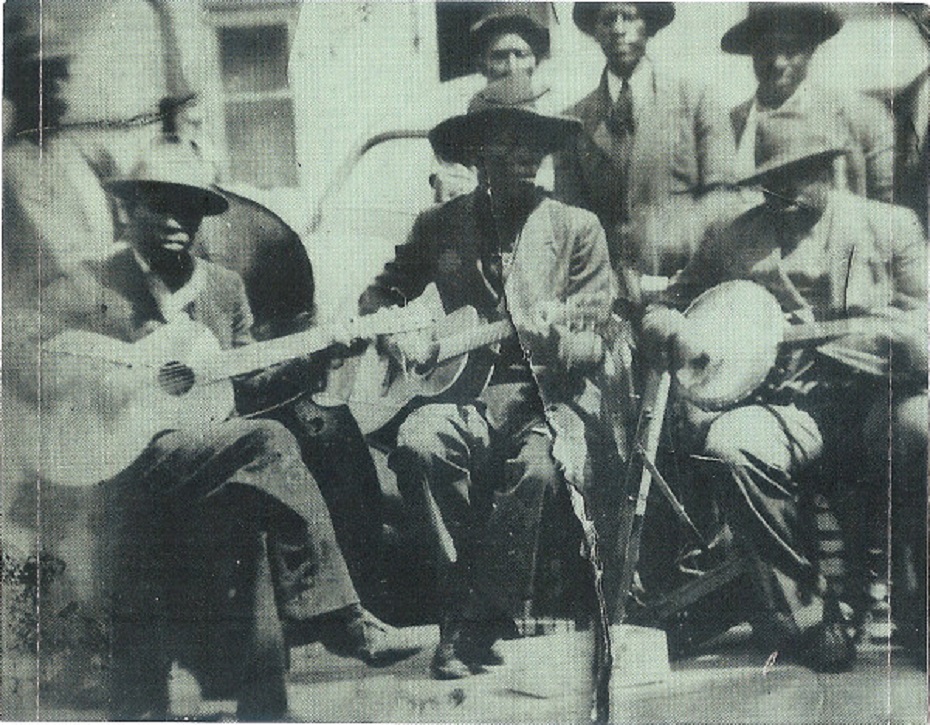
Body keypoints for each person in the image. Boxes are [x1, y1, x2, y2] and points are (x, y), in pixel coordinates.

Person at [43, 141, 419, 719]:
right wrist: (113, 374)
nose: (177, 221)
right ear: (129, 210)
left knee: (262, 451)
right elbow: (17, 350)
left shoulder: (223, 288)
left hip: (202, 457)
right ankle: (342, 620)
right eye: (161, 205)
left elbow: (248, 385)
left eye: (190, 208)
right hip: (114, 461)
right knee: (268, 443)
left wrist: (319, 356)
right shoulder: (91, 282)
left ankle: (265, 701)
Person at [639, 115, 928, 672]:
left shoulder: (890, 227)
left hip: (882, 404)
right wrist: (677, 333)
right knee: (731, 445)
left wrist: (903, 338)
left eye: (798, 177)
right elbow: (663, 308)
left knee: (927, 428)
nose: (784, 193)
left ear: (828, 171)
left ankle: (921, 609)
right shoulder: (734, 238)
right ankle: (810, 615)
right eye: (771, 182)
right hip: (789, 408)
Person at [359, 75, 615, 679]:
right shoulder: (439, 225)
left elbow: (596, 339)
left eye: (537, 140)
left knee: (541, 469)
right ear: (476, 152)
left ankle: (477, 621)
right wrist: (398, 337)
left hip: (548, 401)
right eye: (511, 139)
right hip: (462, 396)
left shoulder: (577, 229)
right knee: (419, 442)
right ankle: (459, 615)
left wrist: (559, 341)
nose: (528, 153)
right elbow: (379, 294)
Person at [555, 2, 739, 299]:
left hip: (690, 287)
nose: (618, 29)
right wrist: (609, 281)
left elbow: (723, 200)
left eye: (628, 16)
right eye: (607, 20)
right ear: (595, 32)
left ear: (649, 25)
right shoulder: (573, 123)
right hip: (609, 295)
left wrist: (686, 265)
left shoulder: (696, 101)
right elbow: (570, 222)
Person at [723, 3, 895, 204]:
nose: (778, 63)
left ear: (810, 49)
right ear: (752, 52)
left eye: (790, 49)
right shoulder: (730, 127)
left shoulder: (860, 115)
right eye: (766, 50)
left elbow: (887, 206)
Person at [430, 3, 550, 204]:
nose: (511, 67)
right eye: (499, 56)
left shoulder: (552, 117)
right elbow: (448, 180)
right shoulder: (462, 123)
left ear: (535, 62)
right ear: (482, 65)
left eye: (521, 55)